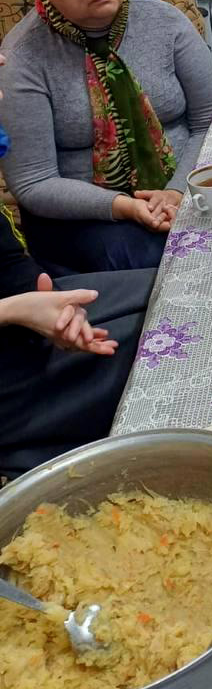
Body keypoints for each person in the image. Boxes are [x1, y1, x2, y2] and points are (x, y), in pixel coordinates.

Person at [0, 0, 212, 277]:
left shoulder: (163, 22)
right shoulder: (24, 57)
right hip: (82, 218)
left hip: (184, 186)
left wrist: (177, 191)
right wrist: (124, 206)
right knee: (172, 259)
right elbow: (34, 181)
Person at [0, 54, 153, 481]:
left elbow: (5, 256)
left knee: (184, 293)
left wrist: (46, 303)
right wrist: (14, 312)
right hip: (9, 373)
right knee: (170, 347)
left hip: (22, 321)